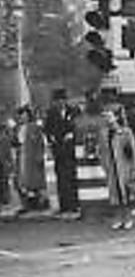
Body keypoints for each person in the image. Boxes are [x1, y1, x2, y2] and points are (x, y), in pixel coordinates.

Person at [97, 104, 135, 230]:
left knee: (126, 193)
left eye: (109, 116)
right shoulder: (103, 133)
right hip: (111, 167)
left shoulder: (125, 132)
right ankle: (117, 218)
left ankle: (128, 218)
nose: (107, 119)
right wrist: (104, 165)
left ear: (116, 117)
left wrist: (134, 168)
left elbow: (133, 151)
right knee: (114, 194)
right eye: (105, 116)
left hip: (124, 167)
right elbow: (101, 151)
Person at [44, 89, 81, 219]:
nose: (60, 102)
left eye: (62, 100)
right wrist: (51, 137)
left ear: (65, 100)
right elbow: (47, 129)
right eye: (57, 100)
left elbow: (78, 127)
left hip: (70, 149)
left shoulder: (74, 111)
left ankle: (74, 205)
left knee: (71, 176)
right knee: (60, 177)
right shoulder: (51, 113)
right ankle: (64, 205)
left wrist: (72, 134)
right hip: (58, 148)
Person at [15, 105, 47, 212]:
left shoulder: (34, 127)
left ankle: (39, 202)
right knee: (22, 182)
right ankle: (27, 204)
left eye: (24, 115)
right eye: (21, 115)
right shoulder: (18, 128)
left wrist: (39, 155)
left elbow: (40, 143)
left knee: (35, 181)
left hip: (32, 157)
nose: (22, 118)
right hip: (22, 157)